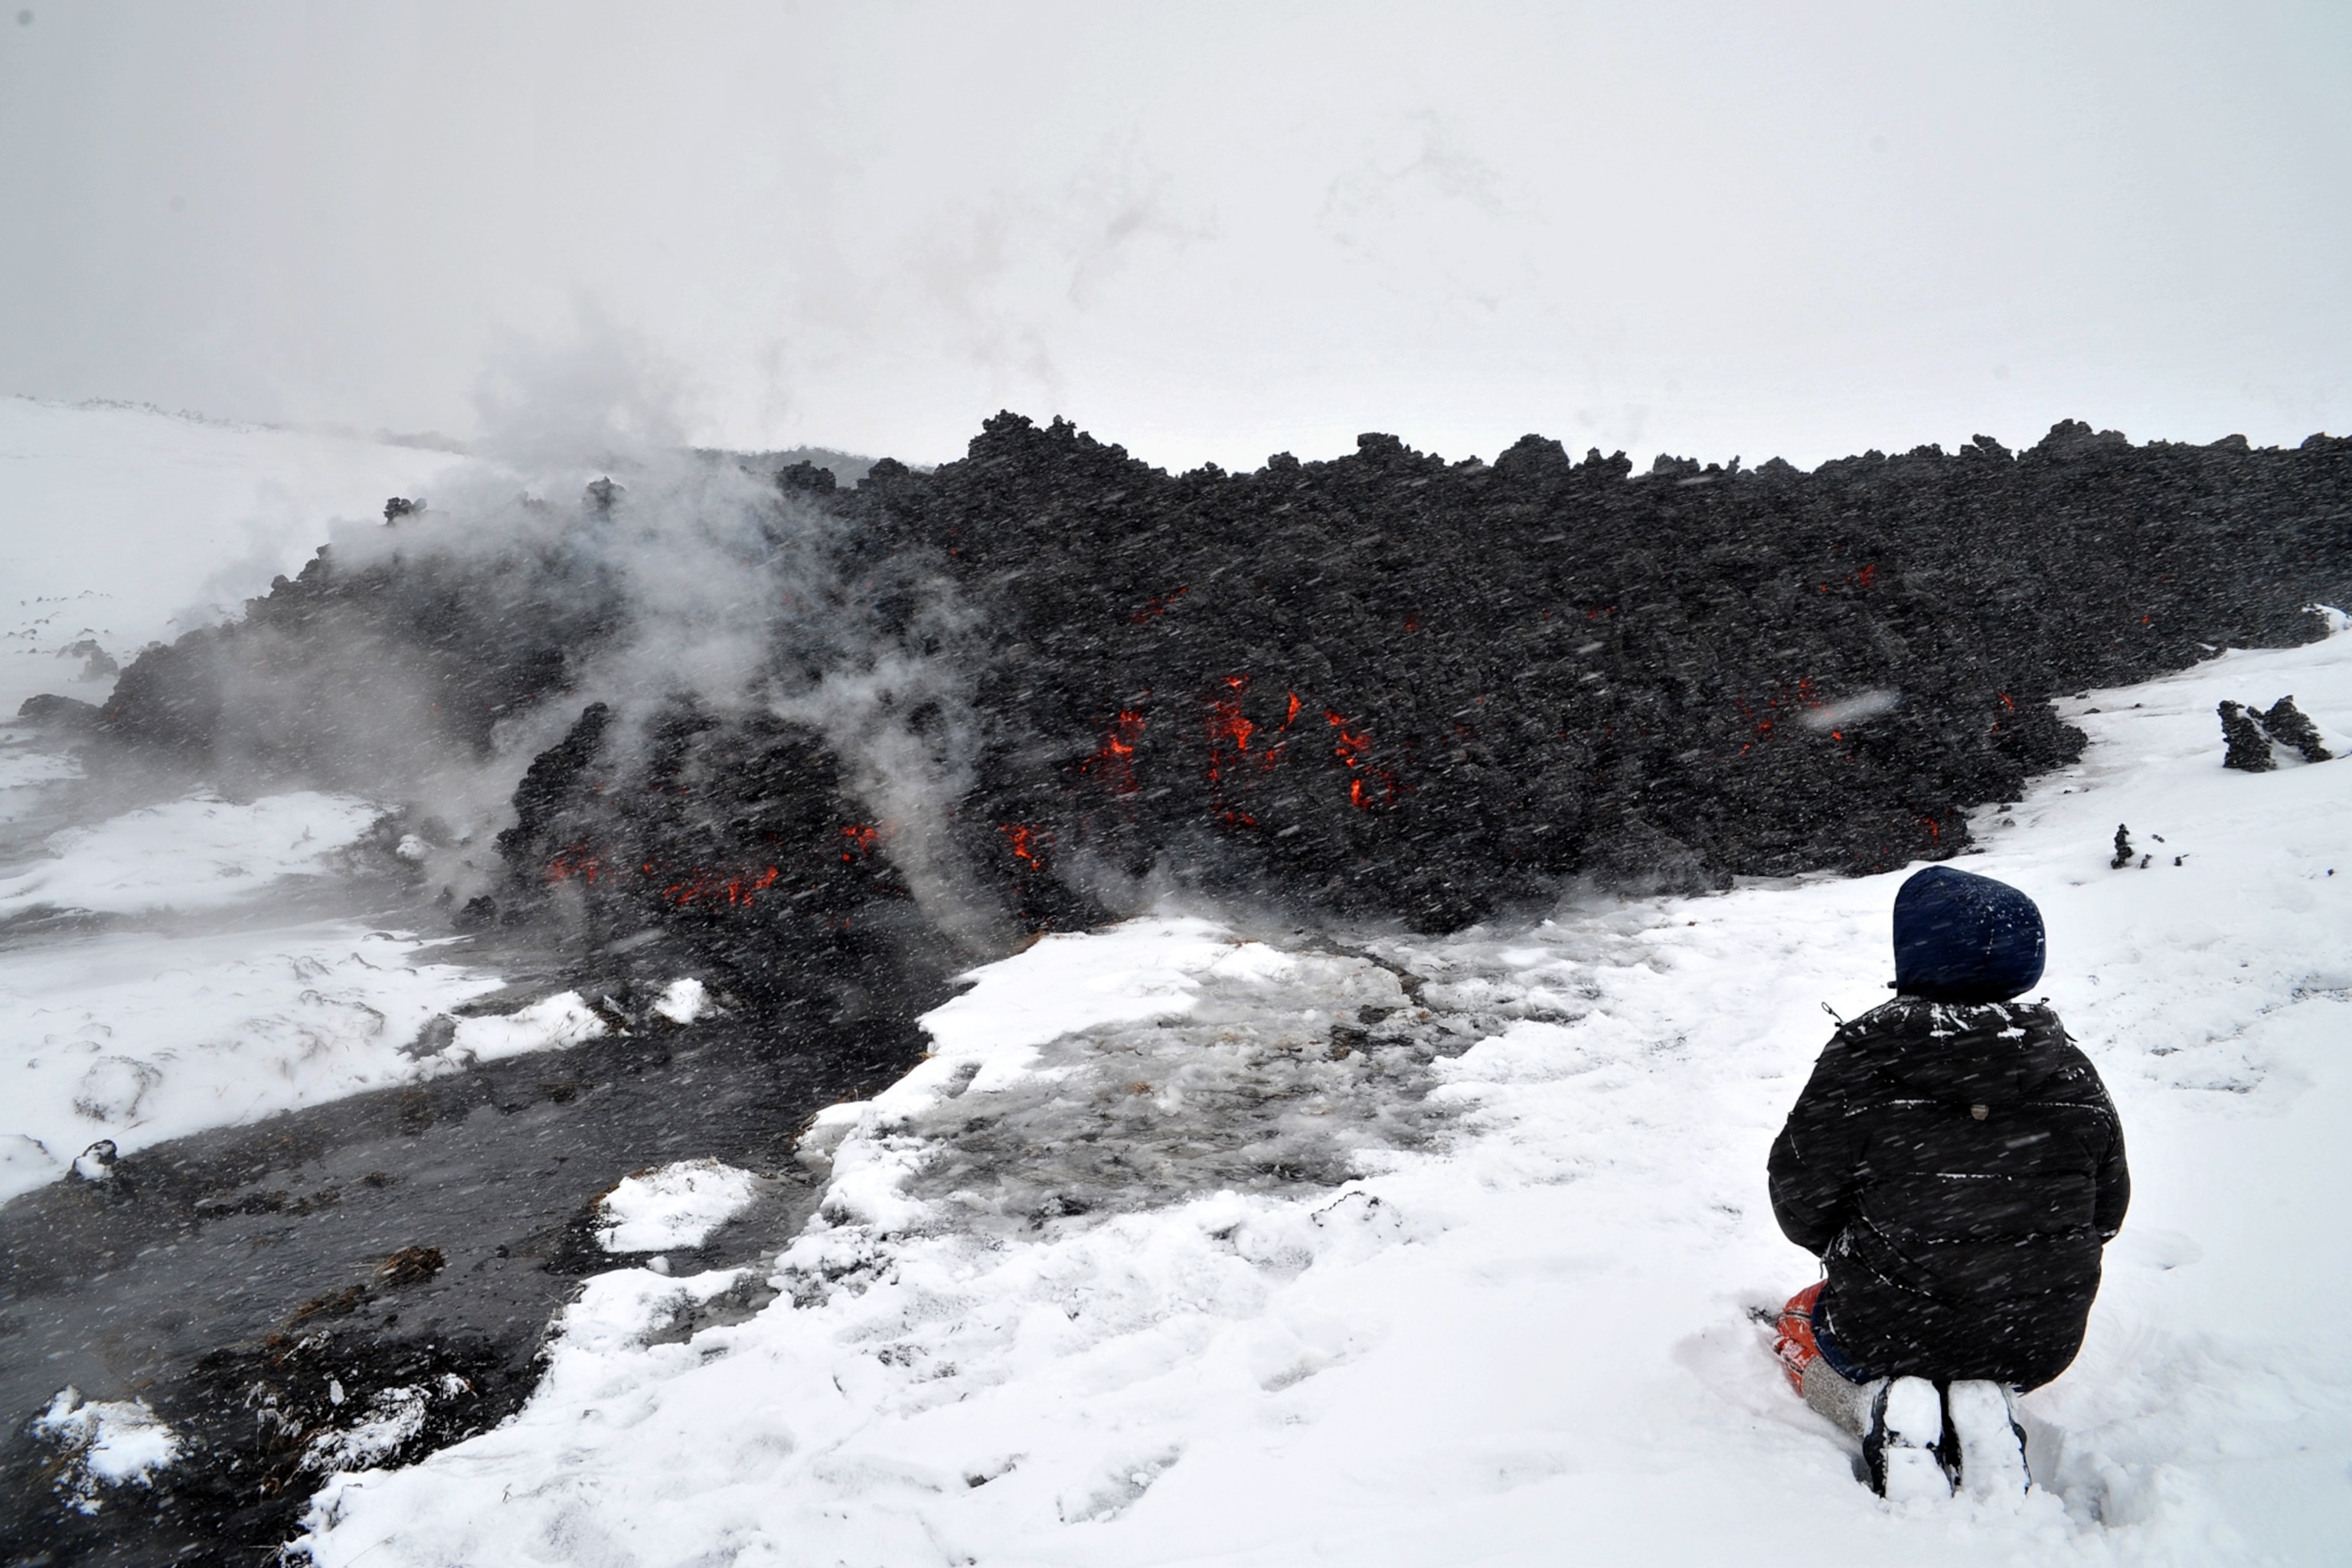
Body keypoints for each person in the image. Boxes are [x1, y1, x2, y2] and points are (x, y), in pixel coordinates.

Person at [1766, 865, 2130, 1498]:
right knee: (1977, 1336)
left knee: (1799, 1316)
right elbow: (2107, 1212)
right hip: (2034, 1339)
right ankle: (1985, 1404)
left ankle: (1871, 1407)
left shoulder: (1861, 1063)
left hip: (1883, 1329)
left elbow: (1801, 1203)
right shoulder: (2069, 1069)